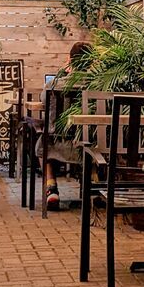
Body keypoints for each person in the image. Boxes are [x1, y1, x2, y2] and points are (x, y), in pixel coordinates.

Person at [37, 41, 91, 210]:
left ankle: (51, 188)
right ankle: (94, 186)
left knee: (43, 145)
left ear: (70, 60)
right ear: (91, 62)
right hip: (86, 145)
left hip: (57, 143)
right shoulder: (95, 85)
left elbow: (43, 100)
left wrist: (61, 73)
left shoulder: (53, 84)